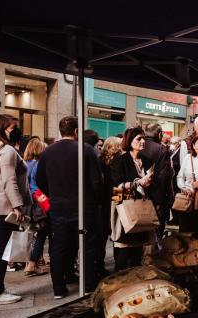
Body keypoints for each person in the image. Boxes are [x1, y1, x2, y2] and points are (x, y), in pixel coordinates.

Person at [36, 116, 102, 298]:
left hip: (58, 207)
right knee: (87, 246)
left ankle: (58, 288)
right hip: (84, 207)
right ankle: (88, 285)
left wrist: (54, 194)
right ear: (76, 131)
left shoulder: (47, 152)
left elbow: (40, 180)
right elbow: (97, 181)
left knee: (58, 247)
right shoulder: (86, 150)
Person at [0, 114, 32, 304]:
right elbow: (9, 180)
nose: (16, 131)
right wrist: (18, 206)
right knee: (3, 251)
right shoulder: (8, 151)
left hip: (0, 207)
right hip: (5, 209)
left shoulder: (2, 149)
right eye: (12, 127)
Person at [111, 127, 155, 271]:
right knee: (124, 254)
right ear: (129, 141)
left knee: (138, 254)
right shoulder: (120, 160)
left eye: (143, 138)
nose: (143, 141)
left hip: (142, 211)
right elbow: (115, 186)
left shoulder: (147, 160)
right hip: (126, 211)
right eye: (138, 139)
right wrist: (138, 183)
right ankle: (119, 286)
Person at [141, 123, 173, 239]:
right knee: (156, 229)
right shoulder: (161, 149)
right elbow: (163, 177)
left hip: (139, 194)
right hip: (157, 196)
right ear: (159, 134)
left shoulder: (139, 146)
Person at [24, 138, 49, 277]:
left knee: (31, 234)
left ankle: (33, 262)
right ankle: (32, 263)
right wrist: (47, 203)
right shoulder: (39, 164)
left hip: (26, 203)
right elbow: (37, 187)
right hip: (38, 202)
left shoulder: (24, 163)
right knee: (42, 232)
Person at [98, 136, 122, 275]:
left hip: (104, 203)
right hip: (112, 201)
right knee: (114, 233)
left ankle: (101, 265)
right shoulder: (116, 163)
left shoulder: (101, 162)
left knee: (104, 237)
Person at [168, 136, 182, 226]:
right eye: (171, 143)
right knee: (172, 199)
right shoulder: (171, 152)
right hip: (172, 180)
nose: (172, 145)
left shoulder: (180, 153)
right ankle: (174, 218)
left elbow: (179, 164)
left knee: (177, 199)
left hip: (177, 179)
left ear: (179, 144)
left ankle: (177, 219)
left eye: (174, 143)